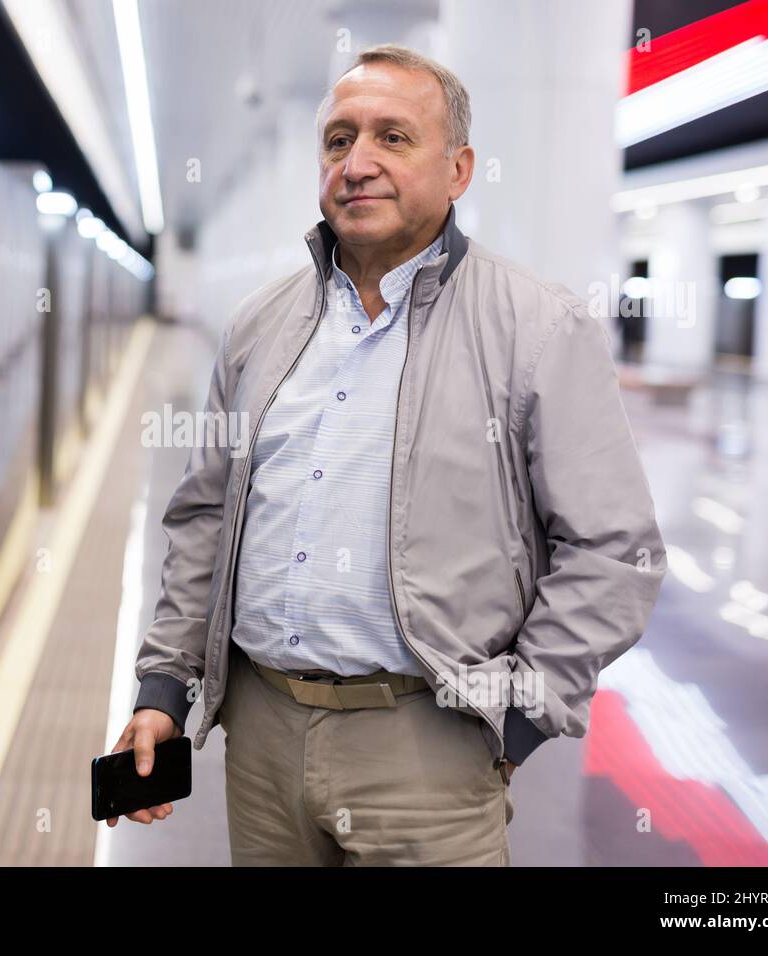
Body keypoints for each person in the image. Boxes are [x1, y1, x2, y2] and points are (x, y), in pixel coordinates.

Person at [108, 44, 666, 865]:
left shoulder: (537, 329)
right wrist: (164, 688)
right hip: (260, 736)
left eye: (393, 138)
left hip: (428, 748)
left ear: (459, 168)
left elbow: (616, 551)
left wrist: (517, 716)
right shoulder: (261, 327)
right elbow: (203, 517)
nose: (357, 163)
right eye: (339, 140)